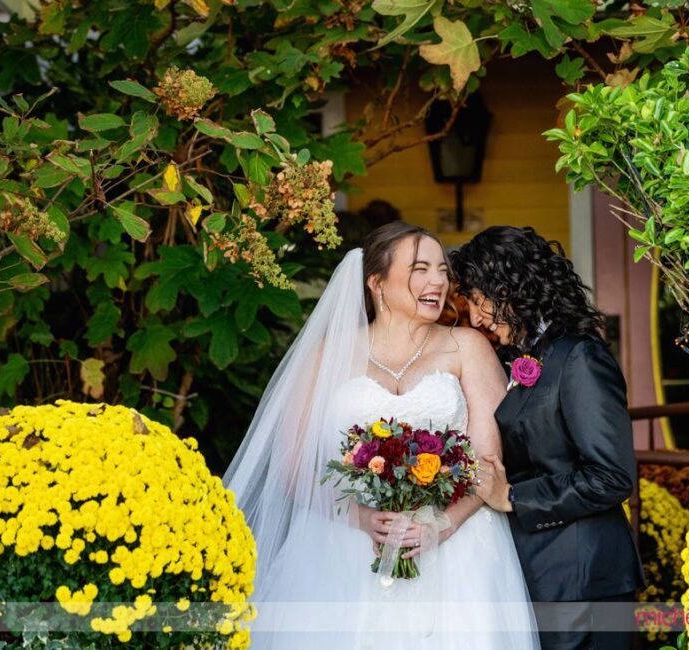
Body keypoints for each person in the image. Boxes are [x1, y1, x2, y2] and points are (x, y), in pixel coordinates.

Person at [223, 221, 538, 649]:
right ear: (377, 283)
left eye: (443, 270)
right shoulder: (328, 353)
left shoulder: (468, 346)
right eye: (420, 268)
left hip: (458, 549)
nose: (438, 282)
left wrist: (442, 525)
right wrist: (364, 518)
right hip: (343, 545)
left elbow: (488, 462)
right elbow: (293, 464)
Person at [451, 225, 645, 650]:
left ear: (511, 288)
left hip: (584, 578)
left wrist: (514, 498)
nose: (477, 318)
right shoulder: (524, 355)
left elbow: (611, 477)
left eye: (480, 302)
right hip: (544, 574)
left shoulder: (579, 357)